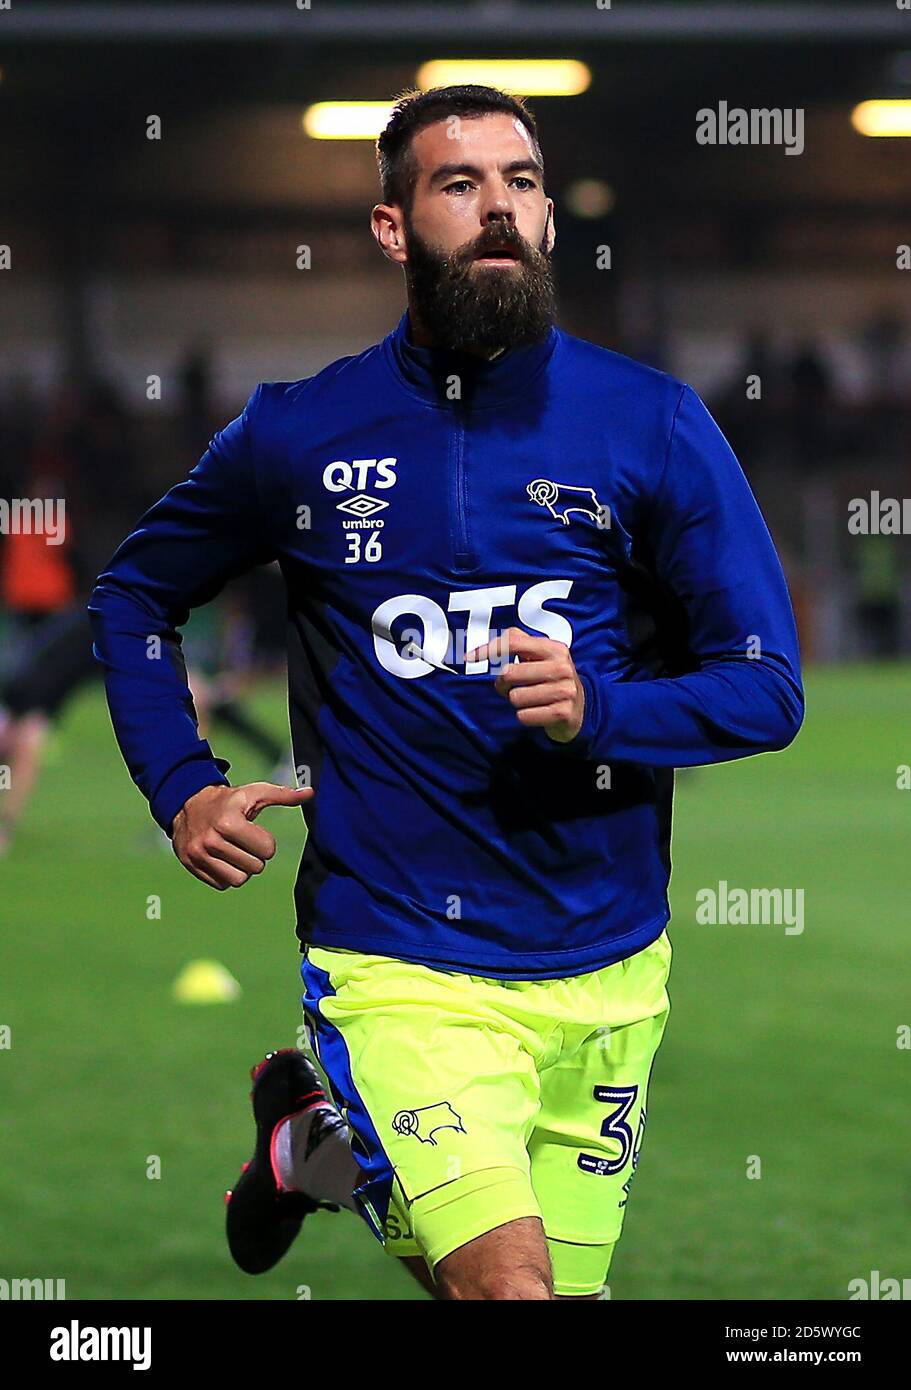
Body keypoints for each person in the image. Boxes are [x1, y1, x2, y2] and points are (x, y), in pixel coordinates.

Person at [88, 85, 804, 1302]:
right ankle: (338, 1132)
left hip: (609, 962)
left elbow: (765, 688)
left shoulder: (656, 425)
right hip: (398, 953)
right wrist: (180, 783)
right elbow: (131, 598)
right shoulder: (296, 435)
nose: (497, 210)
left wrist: (604, 710)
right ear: (390, 225)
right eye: (457, 184)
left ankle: (314, 1150)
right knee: (505, 1292)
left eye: (520, 183)